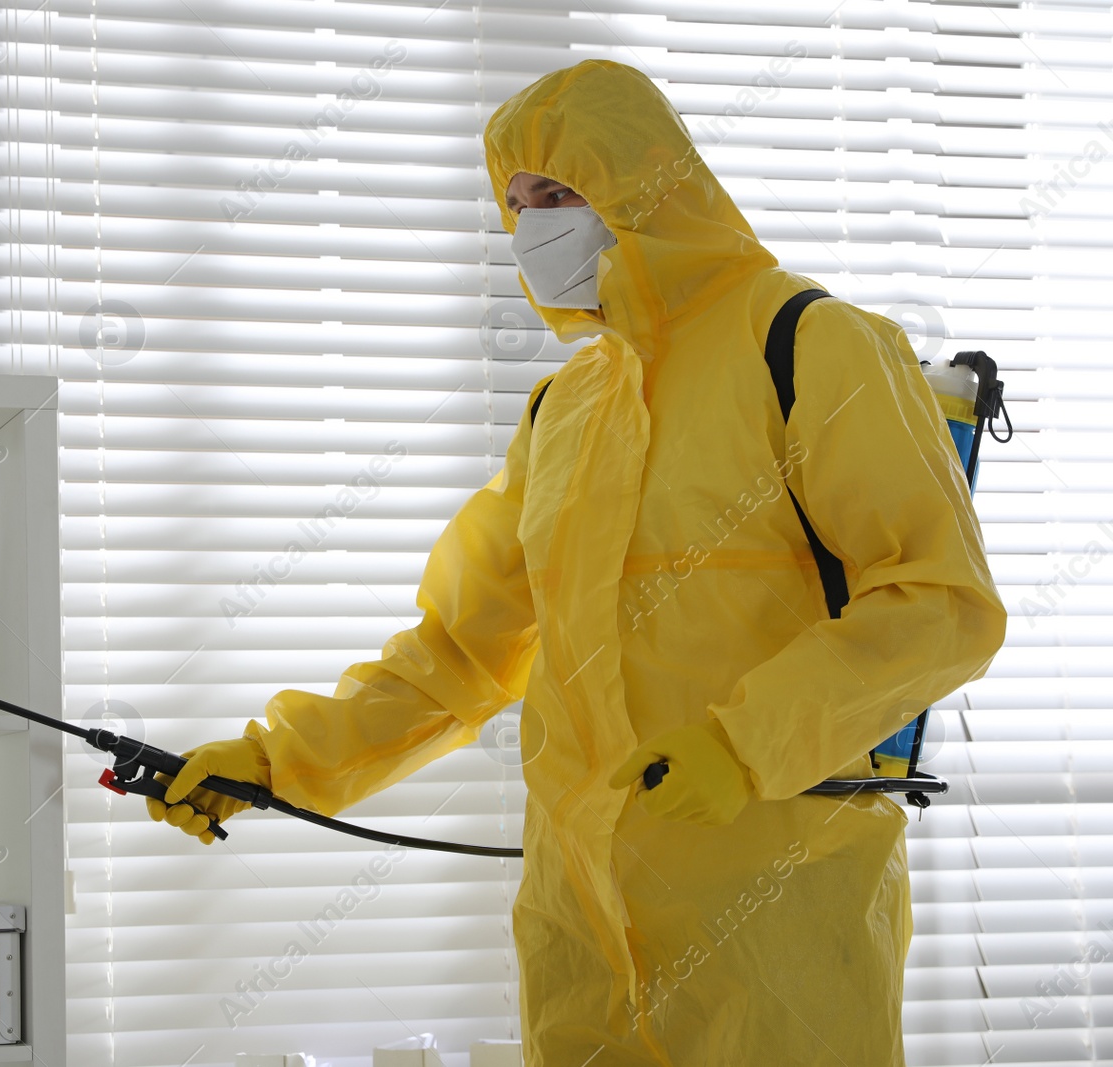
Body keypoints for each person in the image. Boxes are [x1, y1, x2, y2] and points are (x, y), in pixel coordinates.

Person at [148, 58, 1007, 1065]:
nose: (531, 226)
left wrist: (744, 742)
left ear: (646, 185)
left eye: (556, 193)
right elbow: (459, 655)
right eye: (514, 204)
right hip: (578, 929)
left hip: (774, 926)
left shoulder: (807, 341)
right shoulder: (563, 411)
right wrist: (276, 763)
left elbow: (940, 601)